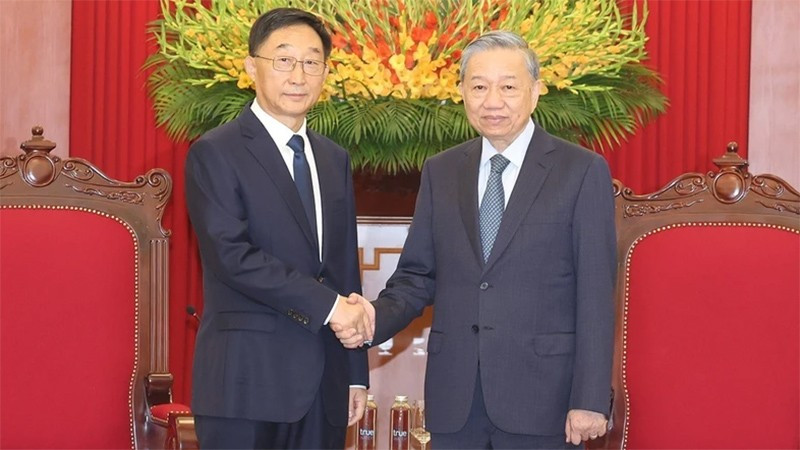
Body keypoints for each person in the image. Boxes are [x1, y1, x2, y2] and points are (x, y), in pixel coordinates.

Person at [338, 31, 617, 448]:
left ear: (536, 91)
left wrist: (590, 399)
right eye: (479, 87)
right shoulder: (442, 171)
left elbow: (595, 293)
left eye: (508, 87)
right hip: (455, 399)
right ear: (462, 93)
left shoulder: (580, 171)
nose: (493, 101)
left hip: (544, 399)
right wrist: (374, 317)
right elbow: (417, 275)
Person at [184, 7, 373, 449]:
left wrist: (354, 373)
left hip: (324, 386)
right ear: (252, 67)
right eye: (284, 60)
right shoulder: (216, 152)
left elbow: (342, 268)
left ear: (326, 72)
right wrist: (331, 307)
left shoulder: (334, 158)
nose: (298, 76)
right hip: (246, 383)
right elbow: (232, 257)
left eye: (311, 62)